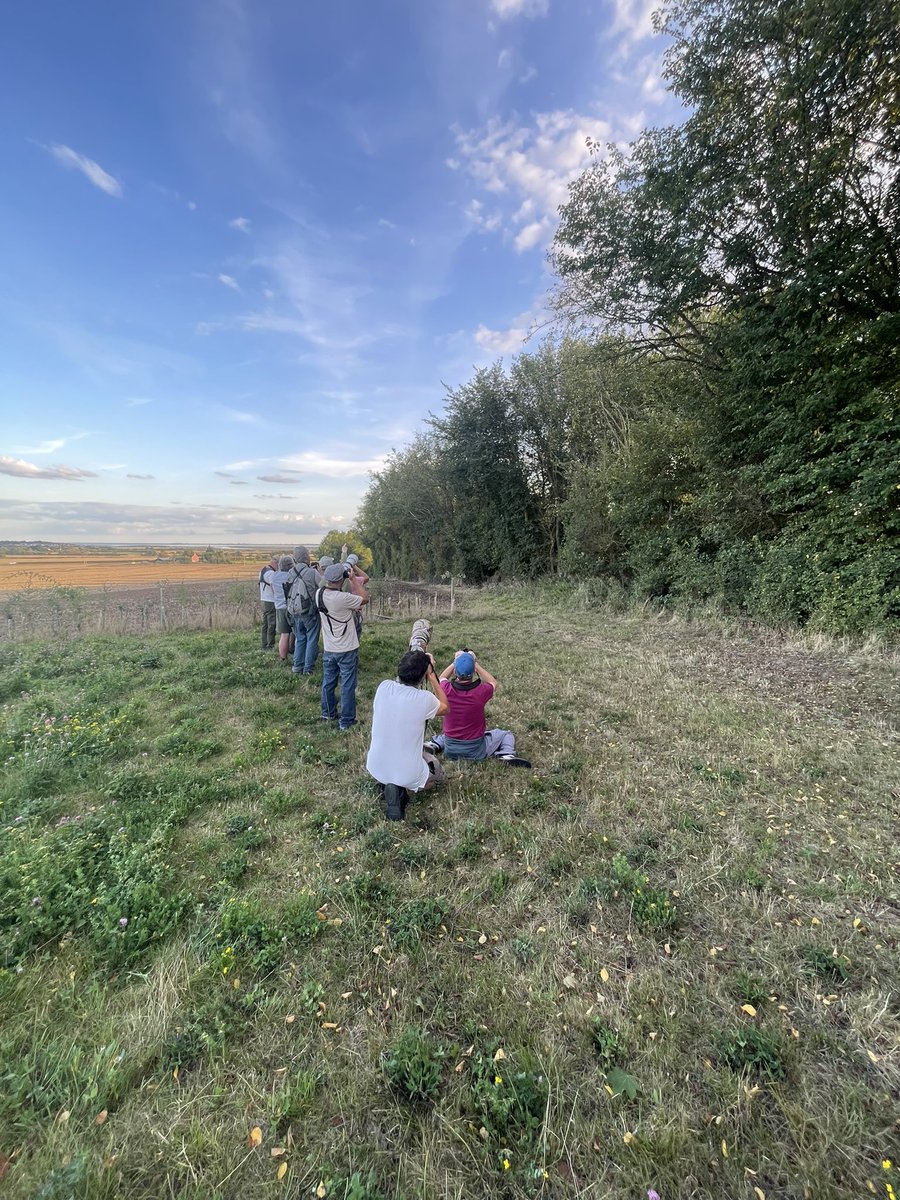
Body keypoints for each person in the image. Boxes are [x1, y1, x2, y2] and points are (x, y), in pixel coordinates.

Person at [366, 649, 449, 820]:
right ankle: (403, 788)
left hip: (375, 767)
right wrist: (432, 675)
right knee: (437, 773)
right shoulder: (424, 699)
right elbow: (445, 707)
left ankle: (392, 784)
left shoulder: (383, 687)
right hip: (409, 773)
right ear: (423, 675)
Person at [425, 650, 530, 766]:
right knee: (505, 734)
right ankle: (506, 753)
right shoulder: (481, 691)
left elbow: (443, 677)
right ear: (474, 671)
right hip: (476, 750)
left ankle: (434, 744)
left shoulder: (445, 689)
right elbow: (493, 682)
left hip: (451, 749)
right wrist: (474, 662)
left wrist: (456, 661)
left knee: (448, 734)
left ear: (455, 671)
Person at [317, 562, 368, 730]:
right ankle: (346, 721)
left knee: (328, 681)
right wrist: (353, 579)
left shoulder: (319, 594)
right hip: (346, 647)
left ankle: (328, 713)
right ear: (342, 579)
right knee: (347, 685)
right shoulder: (343, 598)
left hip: (329, 647)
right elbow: (364, 598)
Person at [287, 546, 320, 675]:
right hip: (309, 612)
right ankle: (308, 669)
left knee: (300, 639)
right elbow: (323, 585)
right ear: (307, 557)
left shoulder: (291, 572)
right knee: (312, 639)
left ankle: (297, 666)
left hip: (294, 611)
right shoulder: (312, 572)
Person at [271, 554, 294, 662]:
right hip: (293, 607)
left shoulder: (274, 576)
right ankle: (296, 654)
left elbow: (273, 589)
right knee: (296, 633)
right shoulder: (293, 576)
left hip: (280, 607)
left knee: (284, 635)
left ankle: (283, 658)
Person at [258, 555, 277, 651]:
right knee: (271, 623)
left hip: (264, 599)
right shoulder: (270, 573)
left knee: (265, 623)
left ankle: (264, 643)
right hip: (271, 601)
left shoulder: (263, 570)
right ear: (275, 563)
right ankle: (270, 645)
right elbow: (274, 586)